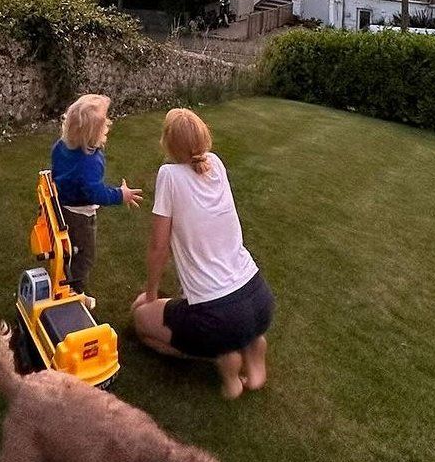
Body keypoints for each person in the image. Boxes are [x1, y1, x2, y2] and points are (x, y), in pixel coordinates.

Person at [132, 108, 274, 399]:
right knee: (236, 323)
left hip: (218, 317)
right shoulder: (216, 164)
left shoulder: (169, 176)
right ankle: (253, 347)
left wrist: (151, 294)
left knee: (141, 319)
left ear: (168, 144)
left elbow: (159, 247)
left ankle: (222, 358)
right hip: (259, 298)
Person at [51, 94, 142, 300]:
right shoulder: (89, 163)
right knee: (85, 255)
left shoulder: (61, 147)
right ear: (94, 134)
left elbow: (57, 171)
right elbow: (96, 193)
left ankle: (65, 278)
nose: (108, 125)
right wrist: (121, 194)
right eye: (104, 125)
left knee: (70, 249)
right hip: (80, 216)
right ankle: (75, 292)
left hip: (62, 206)